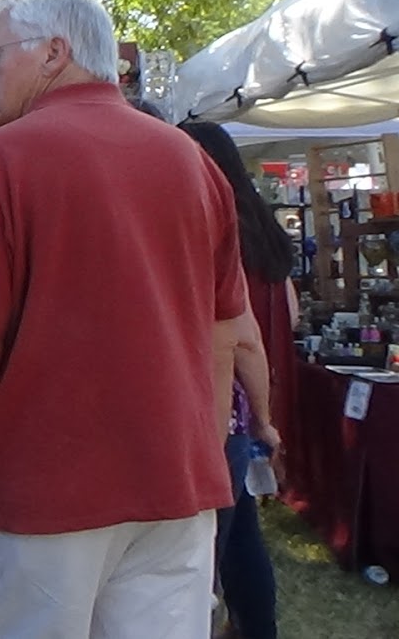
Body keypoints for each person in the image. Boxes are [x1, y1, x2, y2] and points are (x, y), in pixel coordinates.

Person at [0, 0, 246, 637]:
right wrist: (199, 448)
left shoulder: (2, 160)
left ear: (54, 53)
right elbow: (225, 332)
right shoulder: (193, 161)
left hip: (43, 501)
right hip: (177, 494)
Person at [180, 121, 288, 639]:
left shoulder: (211, 228)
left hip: (221, 401)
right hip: (248, 397)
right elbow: (283, 311)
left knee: (202, 555)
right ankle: (254, 627)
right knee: (241, 535)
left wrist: (262, 417)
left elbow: (240, 334)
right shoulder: (264, 225)